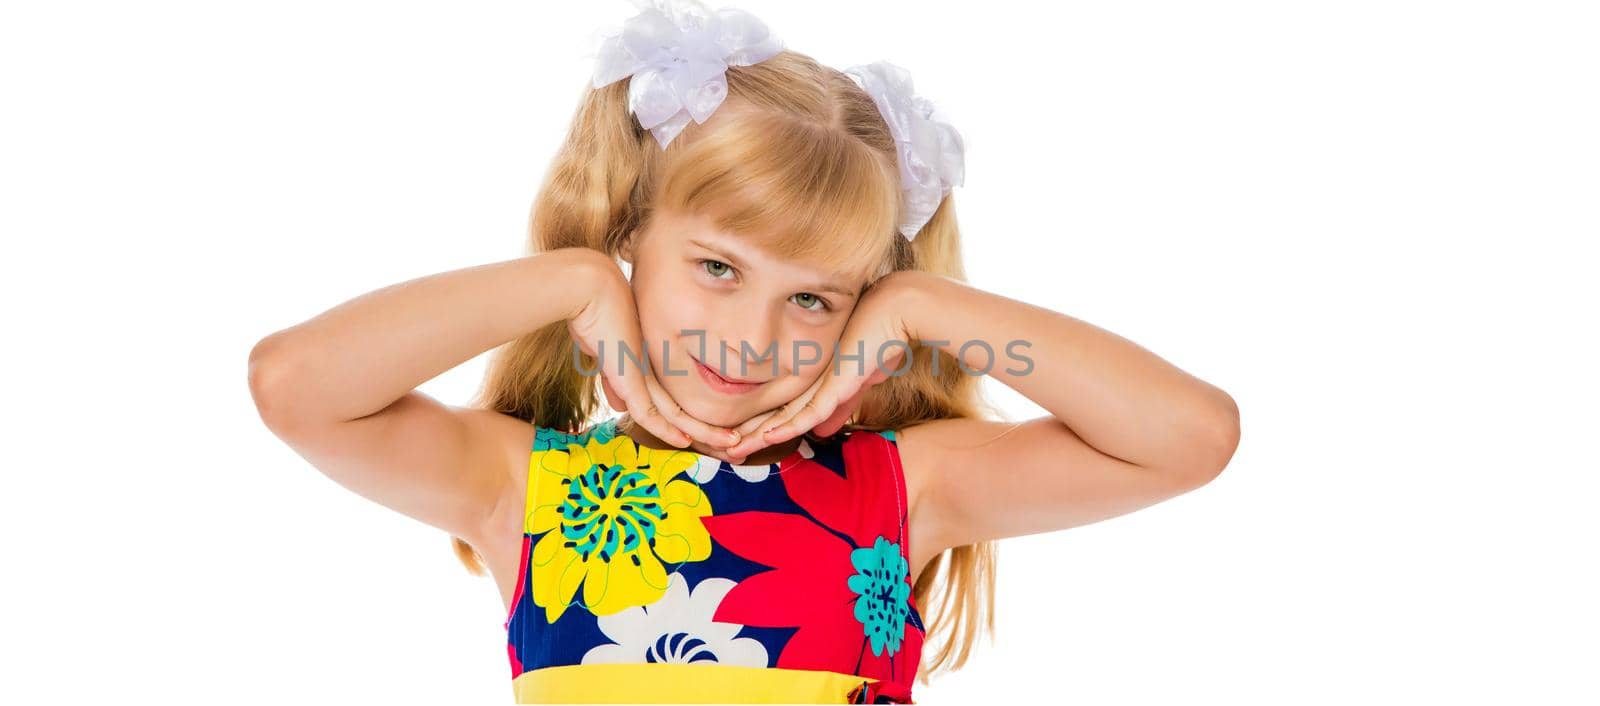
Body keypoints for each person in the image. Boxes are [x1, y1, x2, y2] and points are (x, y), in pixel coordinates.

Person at [247, 1, 1241, 702]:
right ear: (635, 236)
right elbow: (294, 384)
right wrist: (572, 280)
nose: (754, 338)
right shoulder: (528, 482)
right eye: (717, 268)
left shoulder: (900, 489)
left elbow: (1188, 435)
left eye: (811, 296)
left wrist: (921, 304)